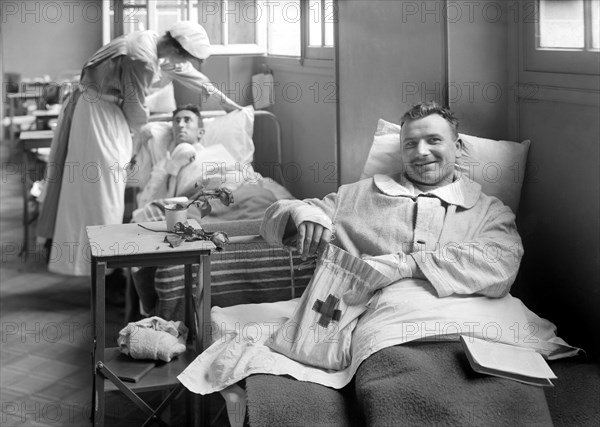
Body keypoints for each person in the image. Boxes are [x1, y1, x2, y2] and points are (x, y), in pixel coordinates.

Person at [37, 21, 242, 276]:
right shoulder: (142, 58)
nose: (182, 63)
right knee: (102, 196)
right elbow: (135, 107)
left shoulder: (152, 42)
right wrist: (143, 137)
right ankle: (101, 269)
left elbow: (191, 75)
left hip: (105, 110)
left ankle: (100, 267)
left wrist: (229, 105)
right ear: (176, 49)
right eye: (185, 57)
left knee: (99, 194)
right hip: (98, 113)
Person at [134, 104, 204, 207]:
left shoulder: (210, 157)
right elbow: (151, 204)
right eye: (177, 121)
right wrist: (173, 167)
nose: (180, 125)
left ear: (200, 132)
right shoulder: (162, 166)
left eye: (187, 120)